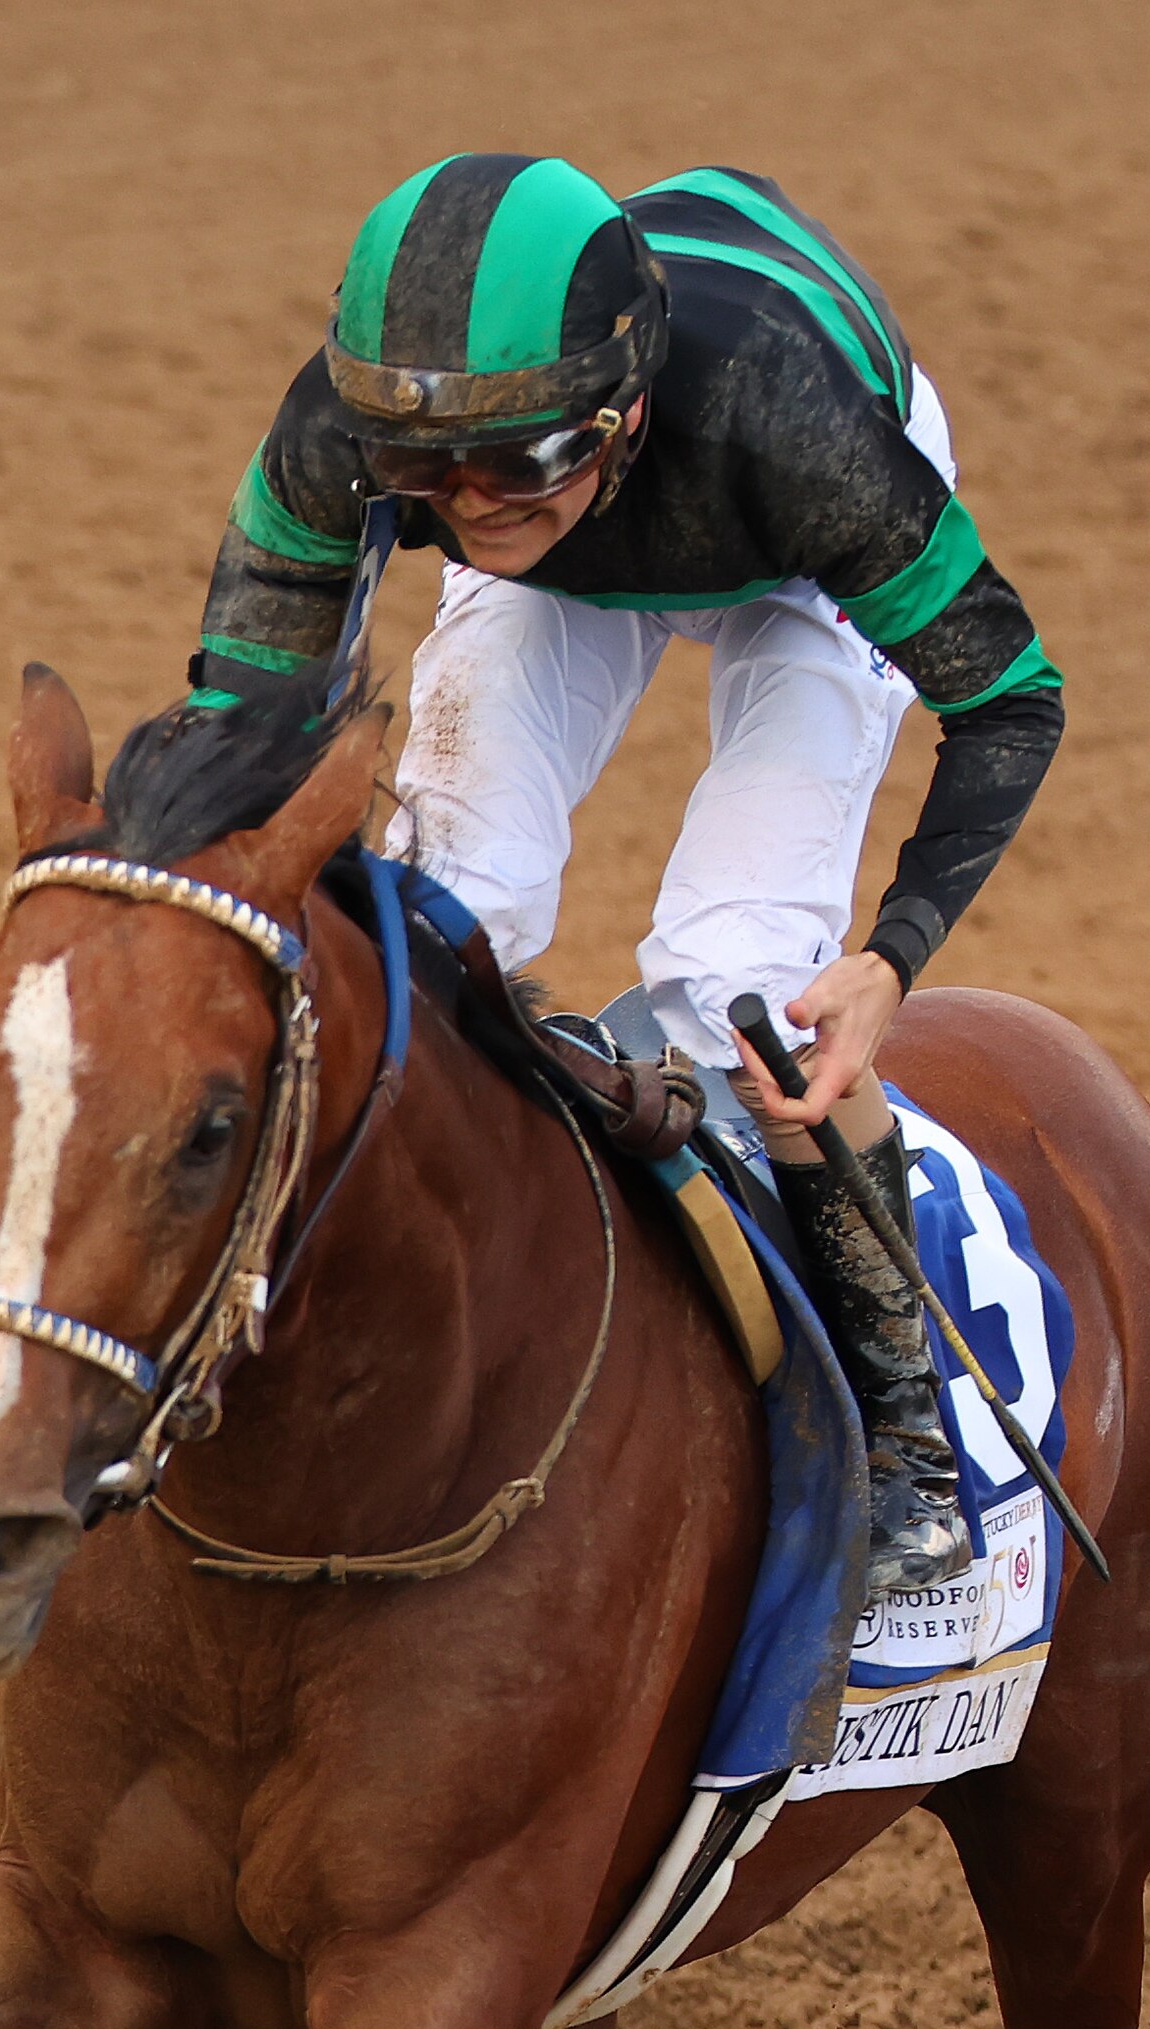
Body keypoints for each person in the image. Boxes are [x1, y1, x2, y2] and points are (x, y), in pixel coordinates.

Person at [183, 154, 1069, 1595]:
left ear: (624, 407)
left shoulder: (793, 427)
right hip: (600, 534)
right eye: (423, 478)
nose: (469, 509)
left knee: (742, 986)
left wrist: (890, 959)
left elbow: (1012, 698)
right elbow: (239, 725)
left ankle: (907, 1445)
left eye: (513, 464)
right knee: (435, 901)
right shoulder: (374, 427)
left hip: (796, 552)